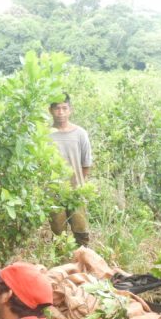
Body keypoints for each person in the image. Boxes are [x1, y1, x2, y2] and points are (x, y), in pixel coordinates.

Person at [48, 93, 93, 246]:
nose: (60, 112)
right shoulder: (46, 135)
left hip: (76, 192)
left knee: (81, 232)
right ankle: (61, 266)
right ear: (50, 110)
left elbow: (86, 164)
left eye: (64, 108)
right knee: (58, 234)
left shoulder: (80, 133)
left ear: (70, 110)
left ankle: (83, 264)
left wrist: (77, 185)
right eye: (57, 108)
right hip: (54, 192)